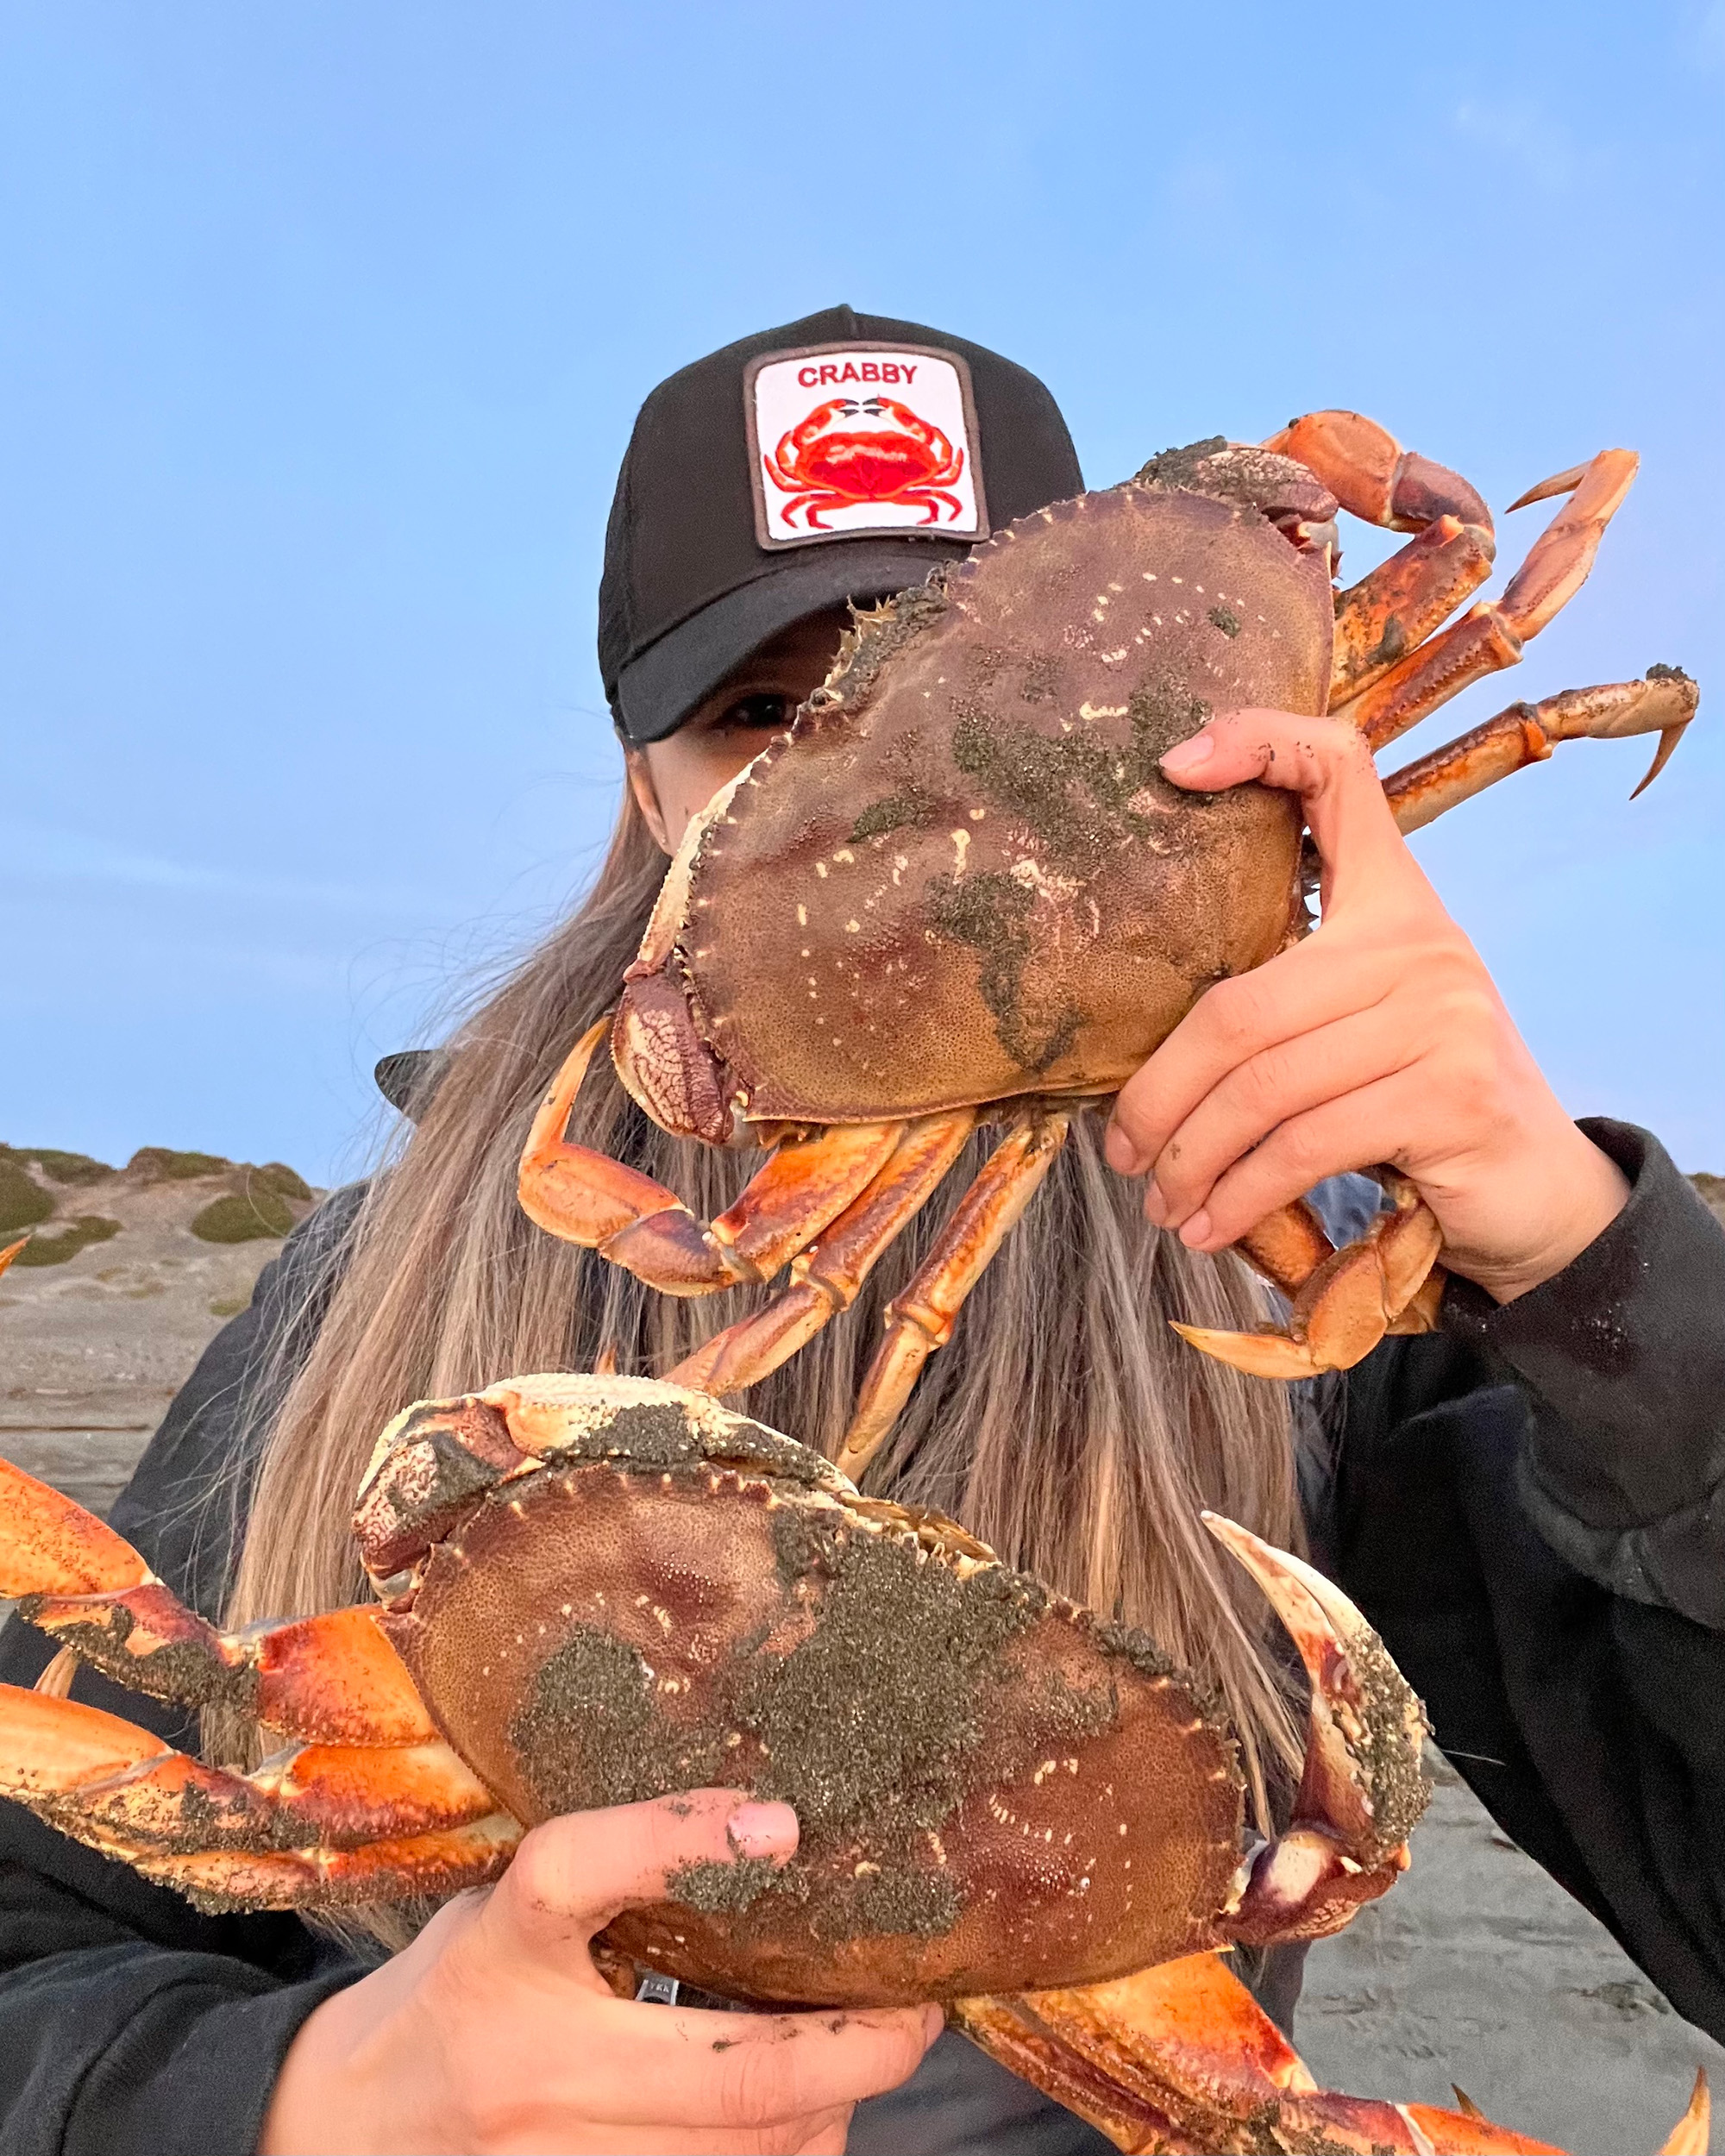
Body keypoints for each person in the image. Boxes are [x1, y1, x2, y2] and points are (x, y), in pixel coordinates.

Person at [1, 305, 1722, 2156]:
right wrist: (302, 2095)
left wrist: (1589, 1273)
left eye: (998, 724)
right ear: (646, 790)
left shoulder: (1310, 1303)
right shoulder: (365, 1295)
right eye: (767, 717)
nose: (917, 805)